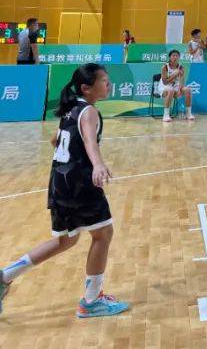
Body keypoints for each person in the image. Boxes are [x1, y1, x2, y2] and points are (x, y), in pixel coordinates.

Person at [0, 63, 131, 318]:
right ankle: (91, 302)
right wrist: (98, 164)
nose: (109, 84)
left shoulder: (72, 108)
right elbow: (90, 141)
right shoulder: (89, 111)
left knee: (66, 240)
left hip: (59, 182)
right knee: (103, 234)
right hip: (78, 183)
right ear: (87, 88)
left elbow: (55, 140)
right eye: (104, 80)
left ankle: (5, 276)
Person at [158, 50, 193, 123]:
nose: (175, 57)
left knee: (187, 90)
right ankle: (166, 115)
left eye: (177, 56)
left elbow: (182, 80)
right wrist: (174, 75)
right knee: (171, 90)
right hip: (164, 87)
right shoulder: (165, 67)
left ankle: (188, 113)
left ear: (179, 57)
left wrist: (180, 89)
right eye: (173, 56)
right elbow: (165, 82)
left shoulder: (181, 67)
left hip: (176, 87)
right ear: (170, 57)